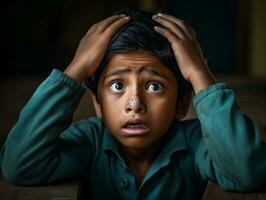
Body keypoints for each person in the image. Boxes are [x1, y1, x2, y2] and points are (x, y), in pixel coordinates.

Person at [1, 8, 266, 200]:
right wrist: (77, 68)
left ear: (182, 103)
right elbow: (20, 165)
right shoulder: (90, 142)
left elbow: (248, 172)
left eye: (154, 86)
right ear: (97, 102)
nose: (135, 103)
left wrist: (199, 74)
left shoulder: (197, 144)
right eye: (118, 86)